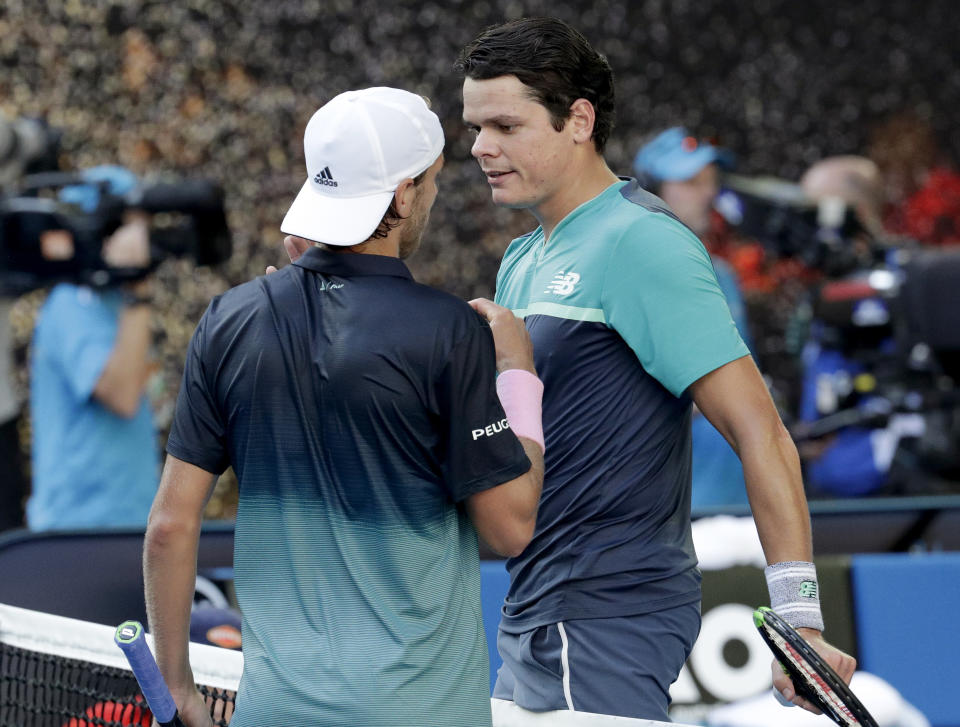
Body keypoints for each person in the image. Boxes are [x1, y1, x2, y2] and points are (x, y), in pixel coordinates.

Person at [454, 17, 855, 723]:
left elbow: (762, 432)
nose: (482, 147)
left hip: (606, 611)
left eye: (505, 126)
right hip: (537, 609)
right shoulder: (522, 256)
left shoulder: (644, 242)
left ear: (578, 120)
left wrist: (802, 620)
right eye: (475, 127)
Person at [143, 87, 545, 727]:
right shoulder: (450, 331)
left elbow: (169, 527)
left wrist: (177, 688)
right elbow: (511, 527)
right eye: (434, 183)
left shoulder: (228, 320)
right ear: (406, 192)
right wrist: (517, 370)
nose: (433, 200)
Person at [26, 165, 159, 530]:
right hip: (80, 529)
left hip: (125, 521)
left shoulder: (109, 302)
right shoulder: (72, 303)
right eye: (127, 225)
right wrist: (139, 292)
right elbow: (121, 394)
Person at [633, 127, 752, 510]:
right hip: (670, 506)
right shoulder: (629, 271)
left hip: (740, 500)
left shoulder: (724, 274)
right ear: (651, 191)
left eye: (710, 181)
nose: (708, 193)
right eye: (689, 181)